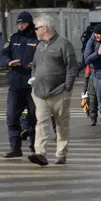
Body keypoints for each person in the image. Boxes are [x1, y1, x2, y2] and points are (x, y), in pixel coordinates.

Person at [28, 14, 78, 166]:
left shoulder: (64, 44)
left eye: (36, 28)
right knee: (41, 123)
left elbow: (72, 67)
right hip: (40, 93)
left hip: (59, 92)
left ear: (45, 28)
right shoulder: (40, 46)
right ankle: (40, 154)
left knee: (61, 124)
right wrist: (34, 81)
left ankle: (61, 154)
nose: (35, 31)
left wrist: (67, 88)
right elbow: (35, 66)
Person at [0, 11, 38, 158]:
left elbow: (43, 56)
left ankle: (35, 148)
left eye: (23, 23)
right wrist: (8, 62)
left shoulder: (37, 38)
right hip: (15, 83)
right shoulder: (14, 38)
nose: (20, 26)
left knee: (34, 117)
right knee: (11, 117)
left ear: (29, 23)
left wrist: (34, 65)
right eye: (18, 23)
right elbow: (3, 54)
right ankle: (15, 147)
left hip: (32, 84)